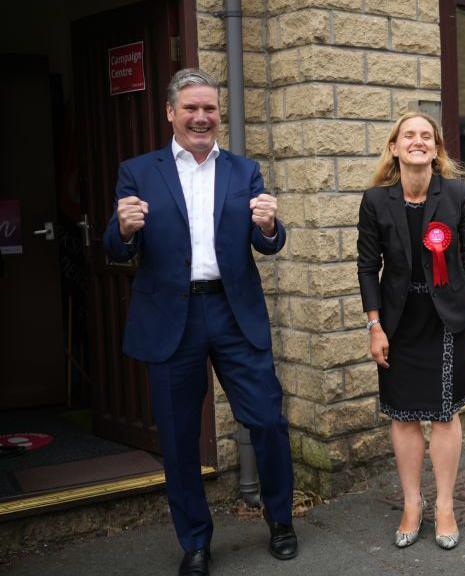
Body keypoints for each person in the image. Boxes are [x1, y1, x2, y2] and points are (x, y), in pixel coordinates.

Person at [103, 68, 296, 576]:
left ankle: (281, 521)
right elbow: (116, 247)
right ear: (170, 112)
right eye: (190, 108)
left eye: (209, 108)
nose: (201, 116)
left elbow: (268, 242)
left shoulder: (243, 170)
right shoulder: (139, 171)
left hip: (234, 313)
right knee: (179, 437)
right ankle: (195, 542)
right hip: (172, 317)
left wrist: (272, 226)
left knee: (269, 422)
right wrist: (121, 231)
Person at [357, 112, 465, 550]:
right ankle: (413, 503)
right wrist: (374, 325)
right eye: (408, 135)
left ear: (435, 150)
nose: (418, 141)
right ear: (394, 147)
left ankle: (446, 505)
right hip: (398, 323)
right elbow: (366, 267)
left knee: (444, 414)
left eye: (426, 136)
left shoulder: (456, 195)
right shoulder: (376, 201)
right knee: (403, 414)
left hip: (446, 320)